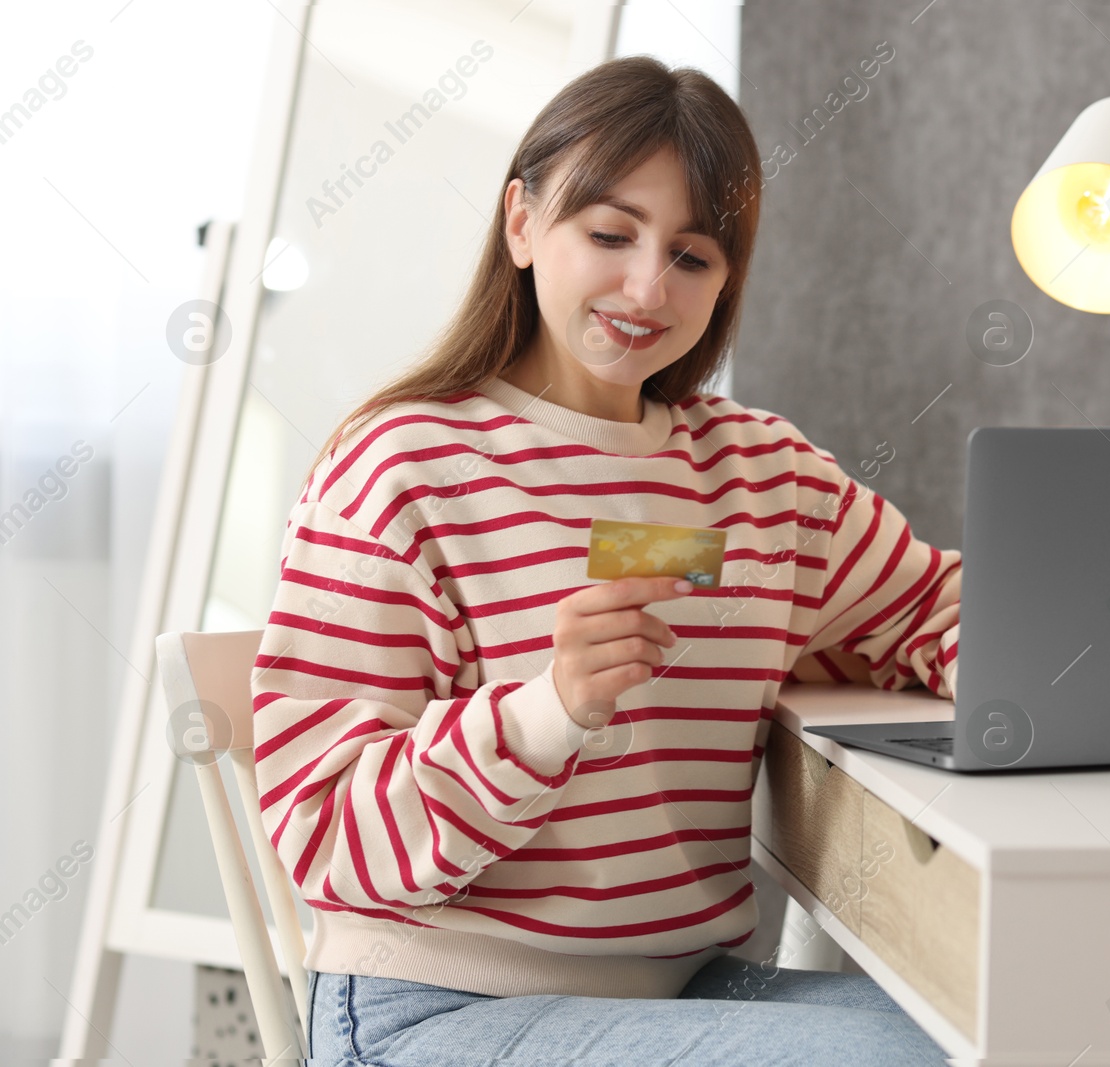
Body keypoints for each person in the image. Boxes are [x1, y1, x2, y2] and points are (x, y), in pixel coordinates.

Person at [250, 53, 961, 1066]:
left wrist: (984, 662)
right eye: (610, 233)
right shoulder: (401, 468)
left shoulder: (760, 475)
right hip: (437, 1003)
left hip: (683, 987)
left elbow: (935, 600)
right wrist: (549, 707)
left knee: (1016, 1024)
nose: (645, 286)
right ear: (523, 223)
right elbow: (326, 833)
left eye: (692, 255)